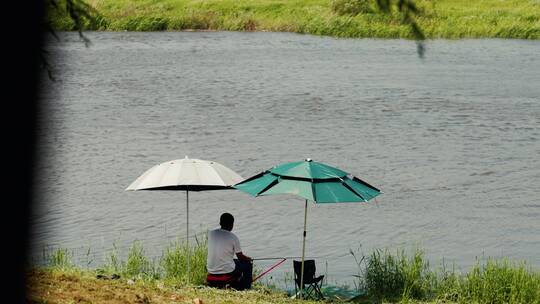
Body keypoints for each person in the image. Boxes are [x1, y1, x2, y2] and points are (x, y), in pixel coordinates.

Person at [206, 212, 253, 290]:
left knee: (235, 261)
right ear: (232, 224)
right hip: (227, 271)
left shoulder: (211, 234)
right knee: (247, 264)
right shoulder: (233, 237)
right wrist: (249, 259)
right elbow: (240, 257)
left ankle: (236, 282)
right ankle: (245, 287)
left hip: (211, 269)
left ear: (220, 223)